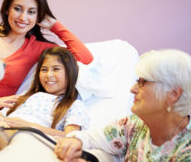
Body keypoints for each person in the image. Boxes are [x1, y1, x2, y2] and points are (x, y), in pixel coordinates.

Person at [54, 49, 191, 161]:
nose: (133, 89)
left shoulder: (186, 150)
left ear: (173, 94)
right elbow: (90, 138)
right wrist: (75, 142)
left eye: (143, 82)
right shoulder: (133, 125)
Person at [0, 0, 93, 109]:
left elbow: (85, 58)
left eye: (31, 12)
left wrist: (55, 25)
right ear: (7, 9)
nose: (23, 17)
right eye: (17, 9)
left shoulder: (38, 48)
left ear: (38, 16)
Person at [1, 47, 89, 137]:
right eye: (44, 70)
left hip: (29, 137)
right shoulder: (27, 95)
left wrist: (30, 126)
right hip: (2, 129)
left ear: (70, 72)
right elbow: (1, 116)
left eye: (56, 69)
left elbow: (71, 137)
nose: (48, 75)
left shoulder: (74, 105)